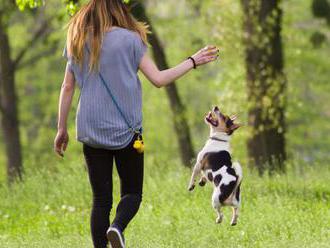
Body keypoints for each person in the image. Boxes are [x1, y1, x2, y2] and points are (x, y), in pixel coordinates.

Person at [53, 0, 219, 247]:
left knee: (101, 200)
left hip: (91, 129)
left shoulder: (77, 39)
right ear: (119, 8)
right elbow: (159, 79)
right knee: (132, 193)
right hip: (127, 130)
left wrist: (61, 128)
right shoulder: (131, 40)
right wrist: (192, 61)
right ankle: (117, 227)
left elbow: (67, 87)